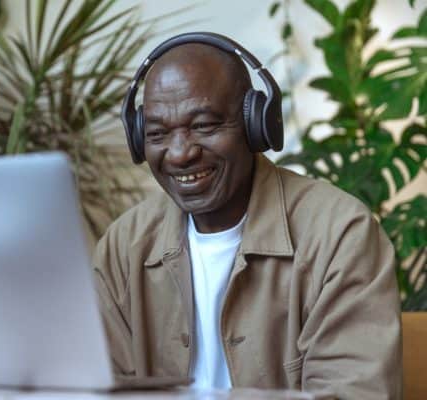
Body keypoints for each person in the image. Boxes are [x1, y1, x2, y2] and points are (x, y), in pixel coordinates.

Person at [92, 33, 401, 399]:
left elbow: (354, 393)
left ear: (256, 125)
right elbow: (93, 388)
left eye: (204, 125)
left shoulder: (340, 234)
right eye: (158, 133)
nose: (178, 154)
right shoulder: (123, 245)